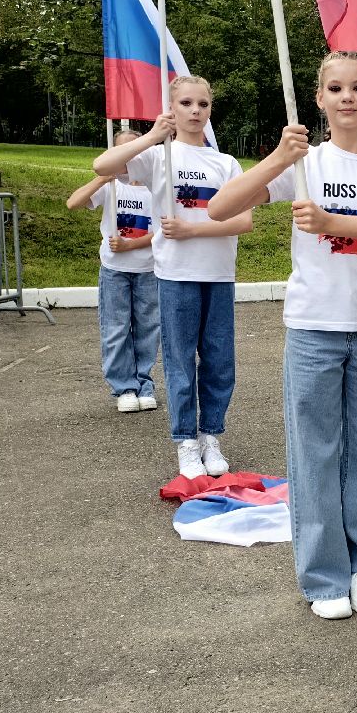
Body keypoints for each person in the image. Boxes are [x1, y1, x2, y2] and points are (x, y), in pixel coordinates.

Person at [207, 51, 357, 621]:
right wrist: (280, 155)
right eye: (336, 88)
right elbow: (220, 206)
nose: (348, 96)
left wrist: (333, 223)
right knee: (315, 454)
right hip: (313, 330)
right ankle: (324, 574)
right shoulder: (305, 164)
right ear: (320, 99)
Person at [92, 77, 253, 480]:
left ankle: (210, 435)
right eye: (186, 103)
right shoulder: (158, 156)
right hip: (176, 275)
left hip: (218, 274)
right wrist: (151, 135)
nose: (195, 110)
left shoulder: (225, 163)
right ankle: (185, 441)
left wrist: (192, 230)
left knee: (218, 360)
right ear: (172, 108)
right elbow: (103, 167)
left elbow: (244, 220)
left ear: (210, 109)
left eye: (202, 103)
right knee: (180, 361)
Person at [67, 127, 161, 414]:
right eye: (122, 150)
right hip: (114, 269)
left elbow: (162, 232)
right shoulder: (110, 186)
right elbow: (73, 203)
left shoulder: (154, 186)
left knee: (147, 329)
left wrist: (131, 246)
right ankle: (124, 387)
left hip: (147, 268)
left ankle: (144, 383)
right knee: (116, 327)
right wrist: (102, 178)